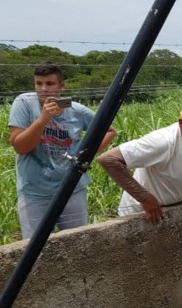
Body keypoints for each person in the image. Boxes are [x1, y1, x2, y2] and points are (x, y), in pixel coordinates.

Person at [9, 62, 117, 239]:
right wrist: (43, 119)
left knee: (76, 241)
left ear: (61, 86)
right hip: (34, 191)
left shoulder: (75, 110)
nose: (44, 89)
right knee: (35, 246)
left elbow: (109, 131)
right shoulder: (24, 103)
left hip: (72, 188)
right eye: (39, 83)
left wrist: (83, 156)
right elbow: (21, 147)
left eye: (50, 84)